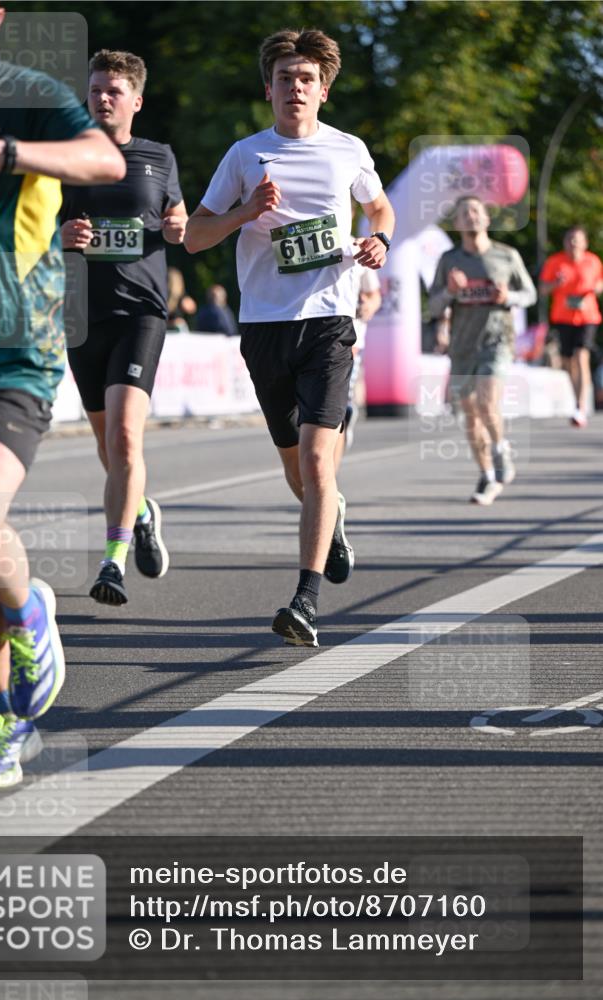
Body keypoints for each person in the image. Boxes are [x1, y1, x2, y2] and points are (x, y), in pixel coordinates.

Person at [0, 0, 126, 787]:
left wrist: (8, 154)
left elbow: (106, 162)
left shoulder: (28, 94)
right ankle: (9, 717)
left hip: (13, 346)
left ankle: (31, 607)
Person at [185, 29, 394, 647]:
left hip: (330, 321)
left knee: (315, 461)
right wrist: (245, 214)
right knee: (296, 473)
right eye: (284, 78)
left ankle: (304, 600)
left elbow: (380, 209)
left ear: (323, 90)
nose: (294, 89)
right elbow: (195, 237)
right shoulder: (245, 155)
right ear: (267, 88)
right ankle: (334, 521)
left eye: (306, 79)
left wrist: (379, 240)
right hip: (264, 326)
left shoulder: (347, 150)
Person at [60, 50, 188, 606]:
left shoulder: (158, 157)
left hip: (141, 312)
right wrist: (59, 239)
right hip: (82, 315)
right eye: (95, 90)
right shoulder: (65, 157)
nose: (102, 98)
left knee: (125, 435)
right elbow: (30, 229)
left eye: (113, 90)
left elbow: (177, 219)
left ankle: (111, 563)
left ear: (135, 100)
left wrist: (180, 224)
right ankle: (141, 510)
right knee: (106, 445)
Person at [429, 195, 537, 506]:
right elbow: (435, 305)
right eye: (464, 213)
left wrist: (509, 297)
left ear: (487, 219)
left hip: (497, 341)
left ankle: (501, 450)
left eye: (476, 211)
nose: (471, 216)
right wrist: (451, 291)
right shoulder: (449, 261)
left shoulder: (506, 256)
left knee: (488, 402)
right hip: (462, 346)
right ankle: (487, 475)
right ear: (458, 223)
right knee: (471, 415)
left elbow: (529, 293)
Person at [539, 226, 603, 428]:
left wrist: (596, 289)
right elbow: (542, 289)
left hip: (587, 316)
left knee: (581, 356)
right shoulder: (554, 262)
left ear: (585, 243)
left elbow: (600, 283)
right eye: (569, 239)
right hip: (563, 317)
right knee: (568, 362)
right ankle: (577, 401)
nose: (573, 243)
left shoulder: (593, 261)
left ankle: (581, 406)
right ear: (564, 242)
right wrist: (556, 284)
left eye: (577, 239)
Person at [339, 264, 381, 452]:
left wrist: (368, 306)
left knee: (336, 401)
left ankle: (345, 412)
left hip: (351, 339)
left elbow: (375, 296)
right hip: (311, 337)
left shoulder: (359, 251)